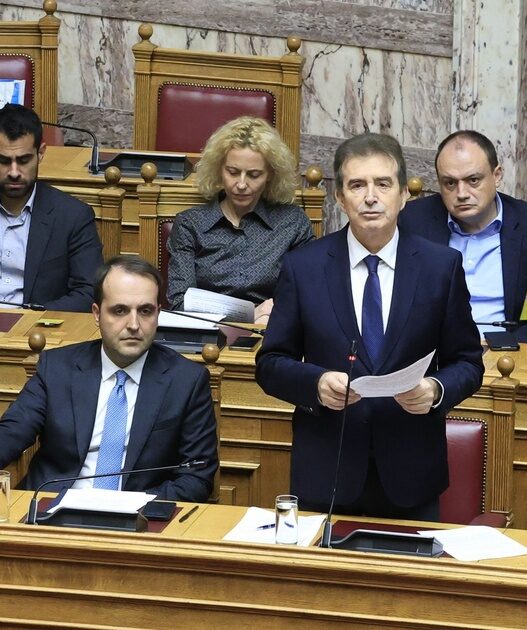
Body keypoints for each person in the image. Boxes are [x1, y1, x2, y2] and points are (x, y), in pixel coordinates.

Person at [256, 133, 484, 521]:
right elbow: (270, 363)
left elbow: (467, 361)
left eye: (383, 184)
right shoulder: (304, 266)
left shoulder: (440, 267)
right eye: (357, 185)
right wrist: (315, 383)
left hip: (412, 475)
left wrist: (435, 389)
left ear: (403, 195)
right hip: (327, 473)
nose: (371, 197)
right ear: (340, 197)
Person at [0, 255, 218, 500]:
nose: (134, 324)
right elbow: (10, 434)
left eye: (145, 311)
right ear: (97, 313)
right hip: (52, 508)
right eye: (120, 311)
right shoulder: (57, 368)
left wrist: (131, 505)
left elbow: (197, 478)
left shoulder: (187, 381)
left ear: (158, 313)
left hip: (138, 513)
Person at [166, 116, 314, 323]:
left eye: (254, 175)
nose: (241, 184)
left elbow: (308, 294)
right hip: (208, 333)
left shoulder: (292, 222)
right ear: (219, 168)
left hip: (271, 328)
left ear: (270, 174)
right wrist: (249, 315)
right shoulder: (190, 224)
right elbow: (179, 302)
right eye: (233, 172)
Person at [398, 130, 527, 332]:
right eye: (450, 183)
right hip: (435, 347)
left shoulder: (523, 222)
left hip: (505, 347)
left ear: (497, 176)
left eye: (473, 180)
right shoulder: (410, 221)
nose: (462, 194)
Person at [0, 103, 103, 312]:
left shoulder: (73, 217)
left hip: (39, 327)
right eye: (3, 161)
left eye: (24, 160)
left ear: (41, 153)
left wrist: (29, 317)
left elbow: (88, 292)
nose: (14, 172)